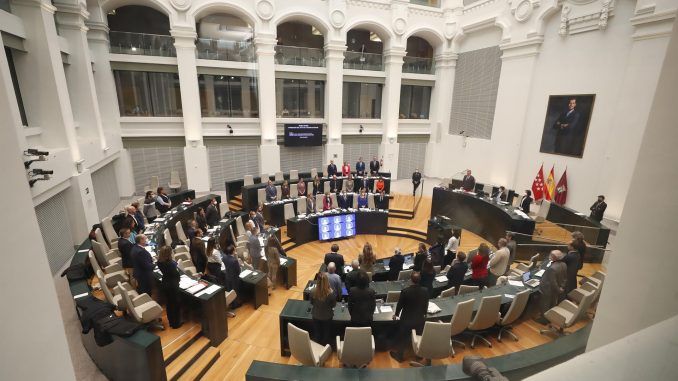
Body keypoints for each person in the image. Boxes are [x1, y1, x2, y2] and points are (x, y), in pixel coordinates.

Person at [390, 272, 429, 362]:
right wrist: (424, 313)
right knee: (419, 336)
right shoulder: (425, 290)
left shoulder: (405, 291)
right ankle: (419, 354)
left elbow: (400, 305)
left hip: (406, 320)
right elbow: (425, 304)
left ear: (411, 280)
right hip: (419, 319)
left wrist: (396, 314)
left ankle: (399, 356)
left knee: (402, 337)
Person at [156, 246, 182, 328]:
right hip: (172, 285)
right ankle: (176, 324)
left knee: (169, 304)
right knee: (175, 304)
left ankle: (171, 322)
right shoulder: (170, 264)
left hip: (165, 283)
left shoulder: (160, 261)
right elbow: (176, 274)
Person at [537, 250, 567, 322]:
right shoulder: (564, 264)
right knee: (552, 303)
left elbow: (553, 282)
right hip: (557, 289)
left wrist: (558, 290)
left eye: (551, 255)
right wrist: (562, 287)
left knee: (545, 304)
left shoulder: (552, 268)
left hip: (548, 289)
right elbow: (565, 278)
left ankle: (543, 320)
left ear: (554, 258)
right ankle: (549, 317)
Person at [310, 272, 336, 347]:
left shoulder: (313, 291)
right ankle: (325, 347)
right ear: (327, 281)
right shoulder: (331, 293)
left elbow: (312, 302)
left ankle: (317, 346)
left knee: (317, 332)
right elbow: (333, 305)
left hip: (316, 315)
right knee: (326, 333)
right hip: (327, 316)